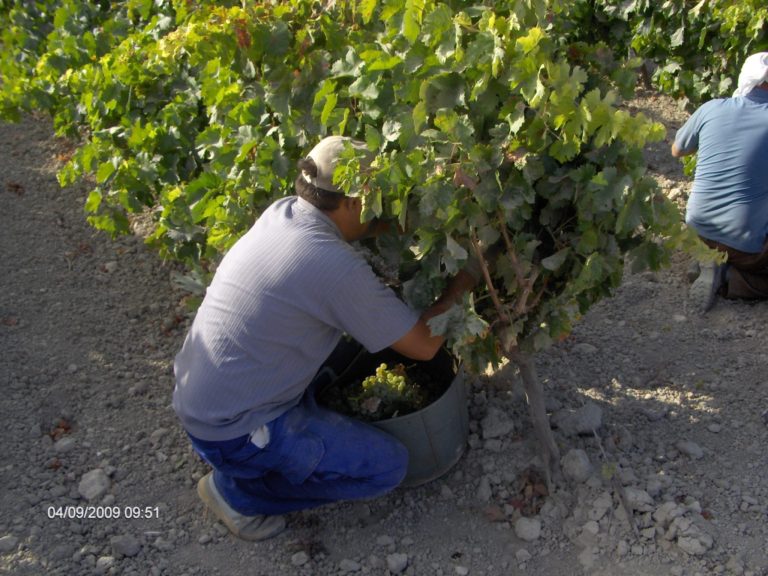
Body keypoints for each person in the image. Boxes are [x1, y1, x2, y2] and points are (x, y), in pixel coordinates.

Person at [172, 136, 483, 541]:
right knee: (387, 466)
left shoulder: (284, 213)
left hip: (205, 400)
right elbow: (424, 345)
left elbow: (358, 231)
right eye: (374, 199)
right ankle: (238, 494)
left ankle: (284, 446)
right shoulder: (332, 266)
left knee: (361, 336)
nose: (380, 209)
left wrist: (425, 217)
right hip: (235, 431)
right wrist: (469, 276)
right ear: (353, 202)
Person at [671, 52, 768, 313]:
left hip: (697, 231)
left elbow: (677, 150)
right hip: (744, 247)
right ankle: (729, 279)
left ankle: (706, 258)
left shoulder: (711, 107)